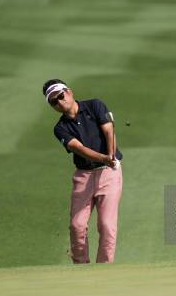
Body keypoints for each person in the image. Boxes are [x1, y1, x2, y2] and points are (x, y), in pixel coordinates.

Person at [43, 79, 123, 264]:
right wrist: (104, 158)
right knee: (77, 225)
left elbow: (109, 130)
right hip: (83, 176)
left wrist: (110, 157)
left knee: (107, 225)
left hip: (109, 173)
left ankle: (104, 268)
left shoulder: (94, 105)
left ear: (69, 92)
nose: (59, 102)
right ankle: (81, 269)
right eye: (54, 102)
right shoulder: (60, 128)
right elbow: (78, 148)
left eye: (61, 96)